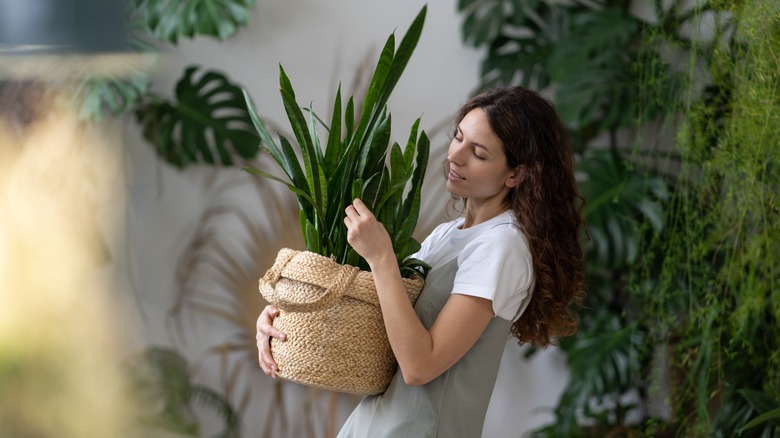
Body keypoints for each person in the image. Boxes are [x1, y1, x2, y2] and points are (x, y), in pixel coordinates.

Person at [256, 86, 586, 437]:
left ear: (515, 174)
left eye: (478, 153)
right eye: (458, 137)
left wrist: (382, 257)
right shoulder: (448, 236)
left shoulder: (502, 246)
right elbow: (381, 327)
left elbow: (419, 367)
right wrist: (285, 321)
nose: (455, 156)